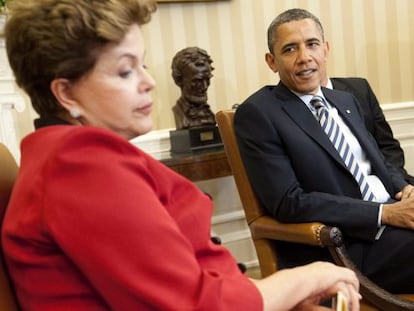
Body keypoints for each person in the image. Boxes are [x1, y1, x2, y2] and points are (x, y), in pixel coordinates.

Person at [1, 1, 360, 310]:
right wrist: (310, 276)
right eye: (125, 70)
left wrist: (277, 298)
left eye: (142, 64)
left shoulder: (71, 155)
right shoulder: (78, 168)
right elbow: (196, 305)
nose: (149, 82)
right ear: (65, 93)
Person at [234, 7, 414, 294]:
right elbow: (289, 201)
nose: (304, 57)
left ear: (326, 49)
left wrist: (404, 190)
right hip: (349, 246)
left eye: (312, 44)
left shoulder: (344, 99)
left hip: (395, 220)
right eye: (290, 49)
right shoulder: (258, 114)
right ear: (272, 61)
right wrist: (384, 213)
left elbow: (378, 162)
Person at [320, 72, 414, 185]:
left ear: (325, 53)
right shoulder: (295, 108)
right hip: (344, 196)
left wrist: (400, 186)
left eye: (313, 52)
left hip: (389, 184)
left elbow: (388, 146)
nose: (306, 59)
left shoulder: (359, 89)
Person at [171, 46, 216, 129]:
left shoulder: (210, 115)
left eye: (207, 79)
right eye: (197, 81)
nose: (205, 86)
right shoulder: (179, 112)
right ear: (179, 80)